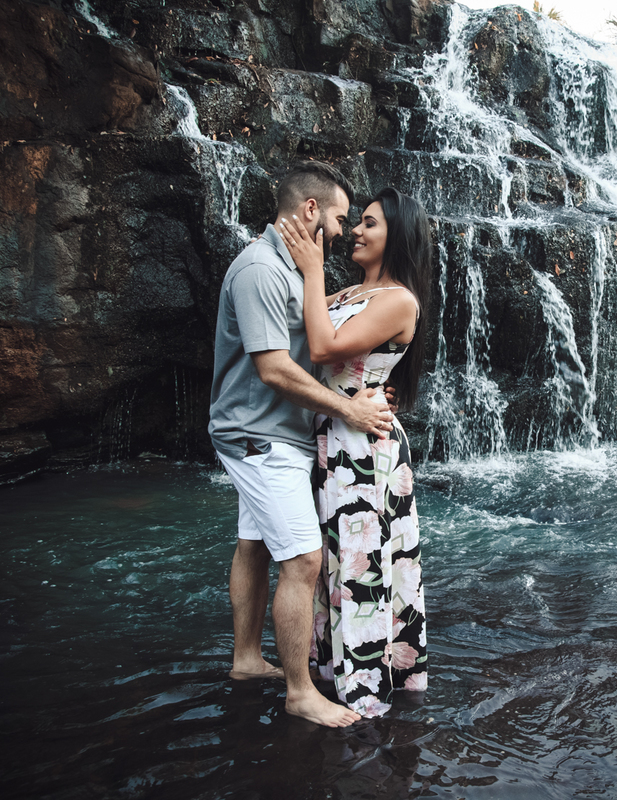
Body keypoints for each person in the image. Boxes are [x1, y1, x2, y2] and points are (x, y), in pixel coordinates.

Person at [208, 161, 395, 728]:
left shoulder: (291, 270)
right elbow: (273, 370)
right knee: (305, 558)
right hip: (260, 438)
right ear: (310, 210)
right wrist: (350, 409)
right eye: (340, 218)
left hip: (271, 435)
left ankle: (246, 659)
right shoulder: (261, 270)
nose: (342, 231)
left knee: (254, 545)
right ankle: (299, 692)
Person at [276, 186, 429, 717]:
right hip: (327, 436)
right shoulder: (345, 294)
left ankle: (366, 696)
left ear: (398, 235)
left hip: (363, 448)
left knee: (360, 562)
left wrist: (311, 269)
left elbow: (321, 350)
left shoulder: (399, 299)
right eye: (357, 221)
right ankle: (327, 675)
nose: (356, 232)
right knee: (327, 562)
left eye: (370, 223)